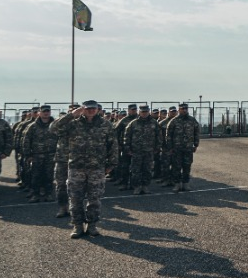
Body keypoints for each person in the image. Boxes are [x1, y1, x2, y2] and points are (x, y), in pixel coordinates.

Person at [51, 100, 117, 239]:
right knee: (75, 198)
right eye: (88, 108)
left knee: (94, 199)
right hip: (76, 167)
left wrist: (111, 164)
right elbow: (53, 129)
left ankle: (92, 225)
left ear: (97, 109)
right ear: (83, 109)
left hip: (97, 168)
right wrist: (71, 115)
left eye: (93, 108)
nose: (91, 110)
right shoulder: (73, 124)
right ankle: (78, 225)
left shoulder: (105, 124)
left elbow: (113, 144)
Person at [23, 105, 58, 202]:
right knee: (35, 175)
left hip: (51, 155)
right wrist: (28, 155)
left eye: (48, 111)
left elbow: (60, 139)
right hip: (37, 155)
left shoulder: (55, 125)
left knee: (49, 175)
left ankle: (48, 194)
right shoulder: (33, 126)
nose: (46, 113)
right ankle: (35, 194)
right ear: (39, 113)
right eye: (44, 111)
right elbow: (26, 141)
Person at [125, 105, 160, 194]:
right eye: (142, 112)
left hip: (149, 150)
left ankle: (145, 186)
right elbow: (127, 136)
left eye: (146, 111)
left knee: (147, 169)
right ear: (139, 112)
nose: (144, 113)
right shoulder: (133, 123)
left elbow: (159, 136)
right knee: (136, 170)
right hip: (136, 151)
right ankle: (137, 187)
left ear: (148, 112)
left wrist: (157, 147)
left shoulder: (154, 123)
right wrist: (127, 148)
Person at [167, 103, 201, 191]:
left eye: (185, 109)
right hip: (177, 148)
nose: (184, 110)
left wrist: (196, 144)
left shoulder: (192, 120)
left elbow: (196, 132)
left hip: (188, 148)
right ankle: (177, 184)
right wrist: (170, 147)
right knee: (176, 167)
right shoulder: (174, 121)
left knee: (187, 166)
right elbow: (169, 135)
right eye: (182, 109)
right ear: (179, 110)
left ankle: (185, 184)